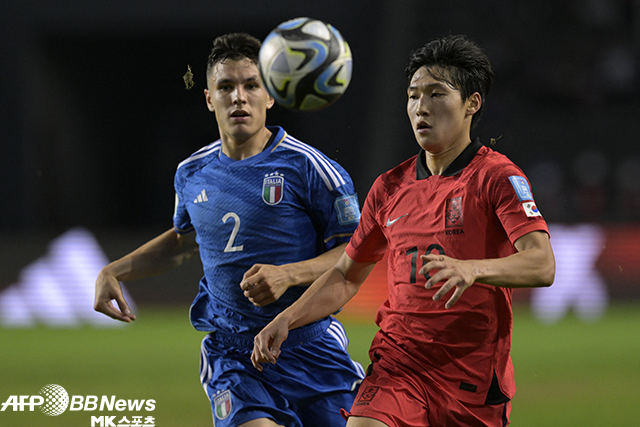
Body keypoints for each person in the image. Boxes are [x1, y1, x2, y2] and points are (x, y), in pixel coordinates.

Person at [252, 34, 556, 427]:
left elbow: (542, 264)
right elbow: (346, 274)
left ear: (472, 104)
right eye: (413, 95)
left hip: (472, 376)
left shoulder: (496, 177)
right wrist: (286, 319)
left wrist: (473, 269)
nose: (420, 108)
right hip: (399, 366)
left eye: (436, 94)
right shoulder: (389, 188)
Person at [94, 32, 365, 427]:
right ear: (209, 98)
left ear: (270, 95)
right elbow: (184, 241)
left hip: (309, 348)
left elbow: (358, 250)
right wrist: (113, 270)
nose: (239, 96)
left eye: (251, 85)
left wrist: (289, 274)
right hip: (233, 357)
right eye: (226, 86)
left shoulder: (310, 168)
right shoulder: (191, 172)